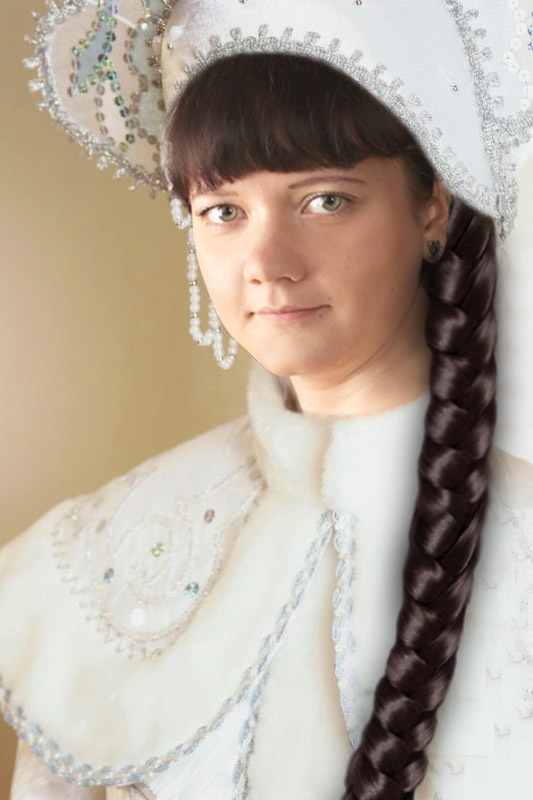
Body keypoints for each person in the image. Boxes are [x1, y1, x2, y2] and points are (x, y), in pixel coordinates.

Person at [1, 1, 532, 798]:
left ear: (433, 205)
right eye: (223, 212)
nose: (267, 261)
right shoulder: (98, 557)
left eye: (324, 200)